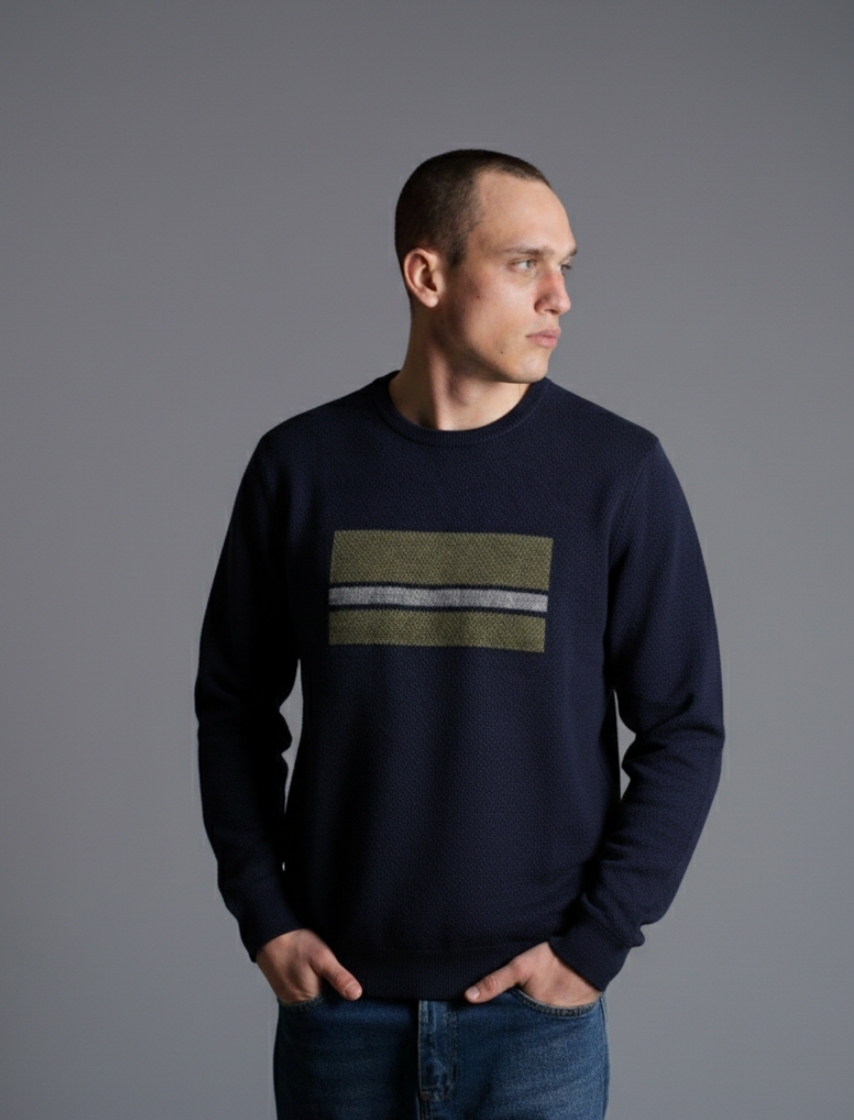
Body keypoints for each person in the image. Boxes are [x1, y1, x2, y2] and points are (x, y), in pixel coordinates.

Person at [194, 149, 725, 1119]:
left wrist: (594, 946)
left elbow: (685, 726)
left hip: (534, 1024)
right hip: (339, 1014)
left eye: (565, 266)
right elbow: (233, 706)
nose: (560, 297)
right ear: (427, 275)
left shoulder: (618, 473)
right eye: (525, 263)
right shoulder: (300, 467)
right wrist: (261, 913)